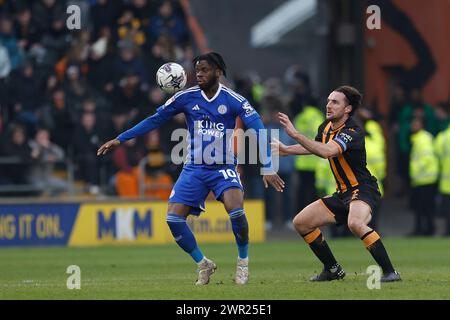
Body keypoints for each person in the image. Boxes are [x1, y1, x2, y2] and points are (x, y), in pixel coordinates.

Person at [97, 52, 284, 285]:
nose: (199, 74)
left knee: (235, 210)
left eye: (204, 70)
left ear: (218, 72)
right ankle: (203, 264)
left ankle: (243, 263)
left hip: (223, 167)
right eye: (197, 70)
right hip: (194, 168)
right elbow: (154, 119)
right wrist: (121, 139)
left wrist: (267, 165)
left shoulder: (235, 100)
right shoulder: (185, 98)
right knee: (173, 220)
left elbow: (258, 129)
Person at [272, 85, 400, 282]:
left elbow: (327, 152)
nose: (328, 105)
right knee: (301, 223)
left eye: (335, 102)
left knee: (355, 223)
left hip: (363, 189)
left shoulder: (353, 131)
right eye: (328, 101)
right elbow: (316, 146)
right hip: (342, 193)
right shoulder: (325, 127)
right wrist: (287, 150)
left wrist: (295, 134)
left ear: (347, 109)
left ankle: (391, 272)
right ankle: (332, 269)